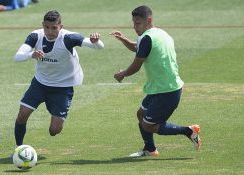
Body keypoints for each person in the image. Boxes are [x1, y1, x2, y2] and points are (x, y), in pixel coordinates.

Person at [110, 5, 201, 157]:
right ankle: (150, 149)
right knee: (141, 114)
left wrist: (122, 74)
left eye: (138, 23)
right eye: (133, 23)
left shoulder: (147, 38)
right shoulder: (159, 33)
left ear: (149, 20)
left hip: (167, 90)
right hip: (159, 87)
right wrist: (123, 39)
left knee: (149, 125)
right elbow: (138, 47)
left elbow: (137, 64)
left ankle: (188, 131)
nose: (134, 26)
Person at [13, 10, 104, 146]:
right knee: (22, 114)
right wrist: (31, 55)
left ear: (60, 27)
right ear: (43, 25)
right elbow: (17, 56)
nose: (50, 31)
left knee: (54, 130)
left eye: (54, 28)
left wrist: (96, 42)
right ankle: (18, 148)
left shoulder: (69, 38)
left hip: (63, 87)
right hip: (40, 83)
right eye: (47, 27)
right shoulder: (35, 36)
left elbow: (99, 47)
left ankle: (54, 112)